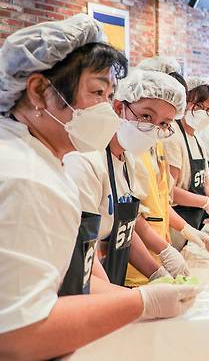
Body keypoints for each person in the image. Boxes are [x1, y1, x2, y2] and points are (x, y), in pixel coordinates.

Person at [0, 15, 197, 359]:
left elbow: (80, 266)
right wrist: (139, 303)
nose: (108, 109)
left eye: (109, 94)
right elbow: (17, 334)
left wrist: (154, 276)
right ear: (38, 91)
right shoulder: (25, 176)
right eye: (96, 92)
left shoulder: (46, 160)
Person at [62, 68, 190, 286]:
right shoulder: (86, 160)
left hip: (112, 281)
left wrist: (157, 273)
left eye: (163, 124)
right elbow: (79, 252)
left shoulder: (129, 161)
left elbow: (126, 229)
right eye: (146, 116)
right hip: (83, 286)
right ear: (120, 107)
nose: (152, 128)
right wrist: (128, 299)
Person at [121, 56, 209, 287]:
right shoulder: (130, 146)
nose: (157, 125)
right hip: (136, 266)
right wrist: (162, 256)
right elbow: (132, 216)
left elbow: (162, 199)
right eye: (146, 115)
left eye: (165, 121)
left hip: (157, 252)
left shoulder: (158, 141)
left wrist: (187, 230)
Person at [164, 76, 209, 249]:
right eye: (198, 106)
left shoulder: (196, 137)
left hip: (195, 218)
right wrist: (204, 202)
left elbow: (205, 182)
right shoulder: (173, 137)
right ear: (185, 101)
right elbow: (169, 191)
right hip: (177, 220)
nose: (203, 112)